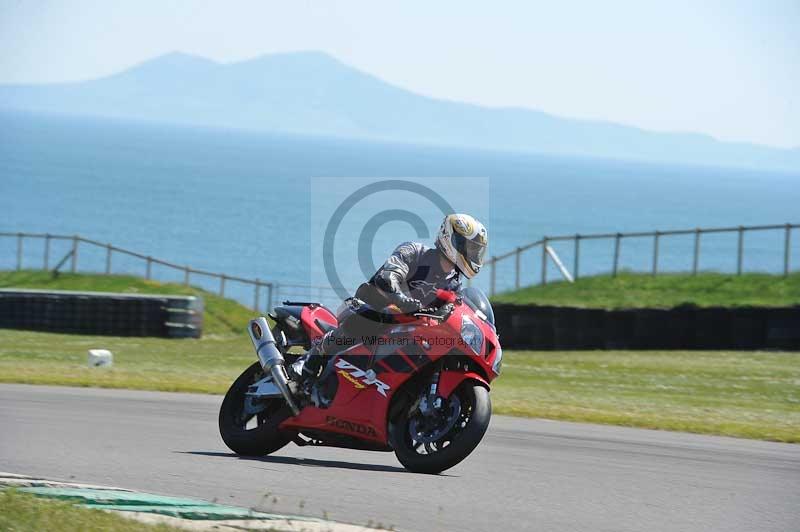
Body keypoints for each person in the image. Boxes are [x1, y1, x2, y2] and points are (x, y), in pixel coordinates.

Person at [293, 213, 488, 386]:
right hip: (369, 305)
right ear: (451, 239)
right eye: (469, 247)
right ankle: (310, 361)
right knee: (371, 318)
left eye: (475, 250)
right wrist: (400, 299)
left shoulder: (453, 285)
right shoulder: (414, 251)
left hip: (408, 328)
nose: (472, 254)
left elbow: (451, 313)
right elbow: (388, 276)